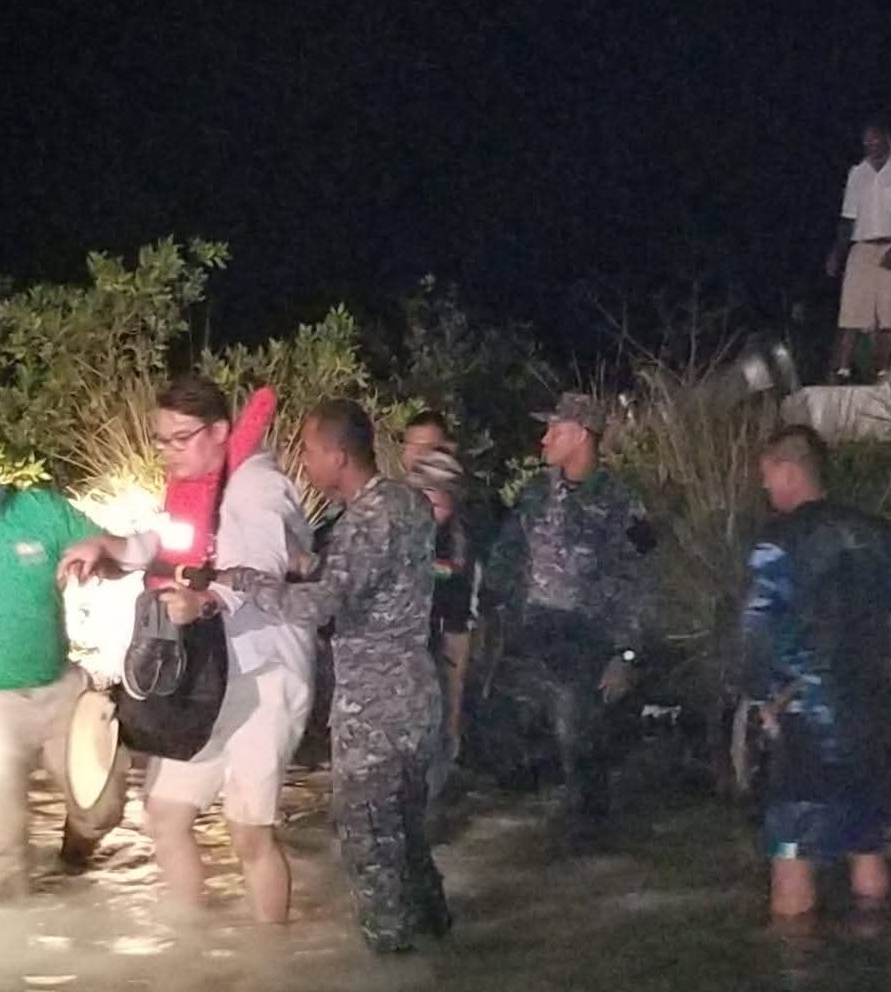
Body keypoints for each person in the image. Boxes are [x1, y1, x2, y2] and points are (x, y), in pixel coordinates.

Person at [60, 376, 315, 923]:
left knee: (248, 831)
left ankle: (269, 973)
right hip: (203, 675)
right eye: (162, 440)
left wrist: (202, 601)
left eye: (181, 438)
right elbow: (163, 545)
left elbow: (263, 568)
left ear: (220, 431)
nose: (169, 452)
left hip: (265, 673)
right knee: (165, 814)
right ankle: (187, 949)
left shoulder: (258, 485)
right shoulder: (189, 484)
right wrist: (106, 548)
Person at [219, 398, 450, 953]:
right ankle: (448, 968)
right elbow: (373, 581)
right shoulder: (407, 504)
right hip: (419, 699)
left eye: (310, 450)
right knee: (409, 843)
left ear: (339, 457)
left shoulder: (363, 522)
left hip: (374, 712)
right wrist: (309, 562)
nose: (305, 461)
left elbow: (318, 608)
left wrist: (246, 578)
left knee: (371, 852)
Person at [0, 427, 126, 900]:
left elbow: (116, 555)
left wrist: (102, 554)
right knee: (0, 846)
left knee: (105, 808)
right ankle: (5, 963)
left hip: (60, 686)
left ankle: (74, 859)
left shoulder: (41, 511)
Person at [741, 424, 891, 922]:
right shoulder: (881, 534)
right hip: (874, 714)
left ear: (790, 471)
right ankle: (873, 952)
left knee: (790, 856)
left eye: (768, 476)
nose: (766, 488)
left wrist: (759, 703)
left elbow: (754, 628)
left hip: (803, 720)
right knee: (867, 844)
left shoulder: (777, 543)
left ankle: (795, 974)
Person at [478, 393, 654, 833]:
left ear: (580, 435)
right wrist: (487, 614)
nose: (544, 438)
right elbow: (505, 558)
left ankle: (587, 847)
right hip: (531, 632)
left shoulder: (621, 501)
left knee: (579, 744)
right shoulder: (536, 494)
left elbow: (641, 579)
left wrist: (626, 656)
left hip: (587, 640)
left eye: (554, 430)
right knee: (497, 735)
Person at [406, 447, 475, 794]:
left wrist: (453, 717)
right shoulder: (385, 534)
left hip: (429, 672)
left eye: (441, 504)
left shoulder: (455, 552)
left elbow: (457, 633)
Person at [826, 119, 891, 381]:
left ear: (886, 138)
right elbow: (848, 217)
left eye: (874, 139)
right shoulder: (857, 173)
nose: (869, 145)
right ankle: (841, 370)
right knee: (851, 312)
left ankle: (882, 372)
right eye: (865, 141)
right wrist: (837, 253)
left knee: (889, 314)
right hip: (861, 247)